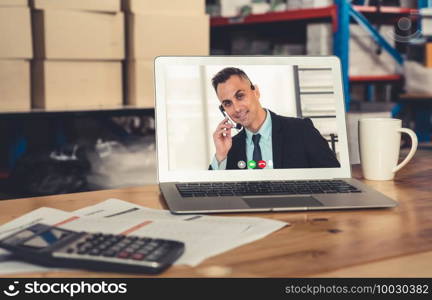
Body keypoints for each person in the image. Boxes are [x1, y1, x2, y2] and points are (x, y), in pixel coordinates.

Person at [209, 67, 340, 170]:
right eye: (227, 103)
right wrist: (220, 156)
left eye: (240, 96)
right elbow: (211, 196)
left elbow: (333, 176)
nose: (236, 108)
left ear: (256, 92)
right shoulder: (230, 148)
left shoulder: (301, 130)